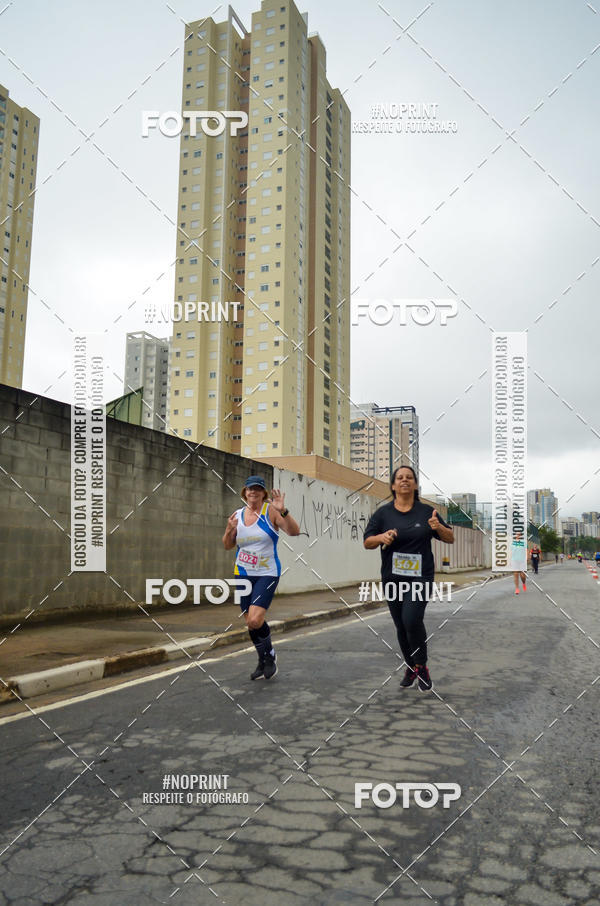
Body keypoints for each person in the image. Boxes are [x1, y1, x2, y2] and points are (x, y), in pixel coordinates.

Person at [363, 466, 454, 692]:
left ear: (415, 485)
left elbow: (450, 538)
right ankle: (411, 666)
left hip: (420, 577)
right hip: (392, 578)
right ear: (393, 486)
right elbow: (367, 541)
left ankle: (421, 665)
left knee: (411, 620)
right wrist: (382, 537)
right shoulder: (383, 514)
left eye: (409, 478)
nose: (405, 480)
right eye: (400, 478)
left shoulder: (427, 512)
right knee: (400, 625)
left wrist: (438, 527)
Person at [222, 476, 300, 680]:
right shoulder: (238, 515)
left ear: (263, 493)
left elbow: (294, 531)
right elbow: (227, 545)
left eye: (258, 489)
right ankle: (262, 659)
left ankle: (270, 655)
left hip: (267, 573)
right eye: (250, 489)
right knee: (251, 623)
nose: (253, 492)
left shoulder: (270, 511)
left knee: (256, 619)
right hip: (243, 574)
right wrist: (230, 529)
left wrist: (283, 510)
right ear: (245, 492)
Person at [513, 530, 527, 595]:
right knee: (516, 574)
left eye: (519, 534)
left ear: (521, 535)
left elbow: (526, 550)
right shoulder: (512, 542)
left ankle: (523, 583)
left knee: (522, 575)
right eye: (516, 534)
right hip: (514, 560)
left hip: (522, 560)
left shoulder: (524, 542)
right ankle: (517, 588)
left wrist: (527, 557)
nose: (518, 536)